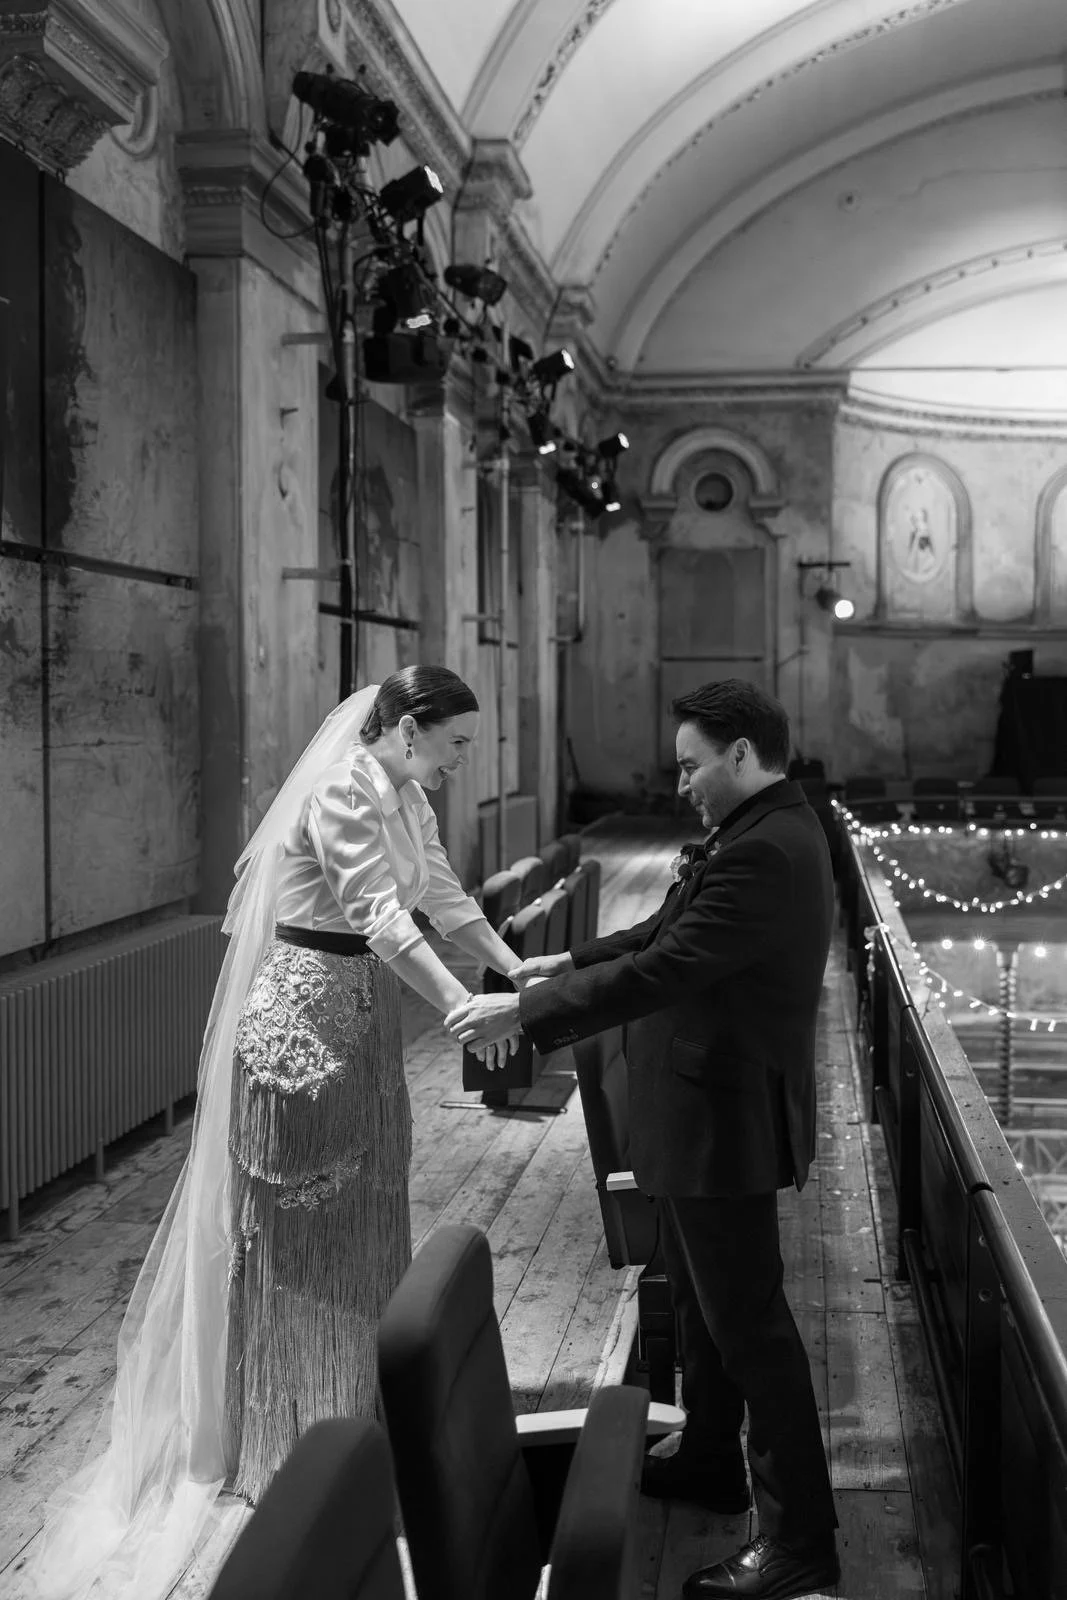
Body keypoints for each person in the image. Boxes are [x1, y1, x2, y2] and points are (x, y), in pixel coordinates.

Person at [31, 667, 522, 1600]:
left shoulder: (405, 792)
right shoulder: (343, 789)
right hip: (300, 1023)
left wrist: (511, 962)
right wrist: (462, 1005)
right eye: (455, 742)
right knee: (301, 1240)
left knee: (364, 1219)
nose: (464, 760)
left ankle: (352, 1416)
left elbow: (444, 899)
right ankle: (292, 1433)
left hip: (361, 1018)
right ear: (410, 729)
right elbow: (381, 918)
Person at [447, 679, 840, 1600]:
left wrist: (529, 1011)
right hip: (704, 1105)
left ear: (740, 754)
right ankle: (709, 1456)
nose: (683, 783)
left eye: (692, 765)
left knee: (751, 1329)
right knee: (707, 1308)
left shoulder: (770, 848)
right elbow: (670, 925)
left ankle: (801, 1545)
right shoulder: (761, 829)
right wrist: (566, 960)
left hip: (724, 1115)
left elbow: (670, 964)